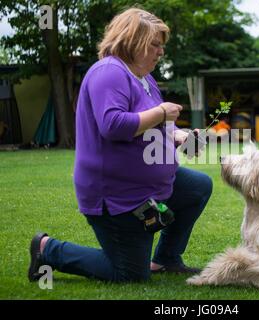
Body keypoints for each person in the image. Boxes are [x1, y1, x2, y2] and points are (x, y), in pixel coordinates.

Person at [28, 8, 212, 283]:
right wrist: (161, 112)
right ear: (131, 40)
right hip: (118, 195)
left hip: (149, 187)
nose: (160, 52)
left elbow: (152, 126)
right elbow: (113, 125)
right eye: (154, 44)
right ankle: (48, 250)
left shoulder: (145, 77)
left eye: (162, 45)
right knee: (128, 274)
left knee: (197, 186)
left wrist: (180, 137)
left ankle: (166, 259)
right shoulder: (109, 72)